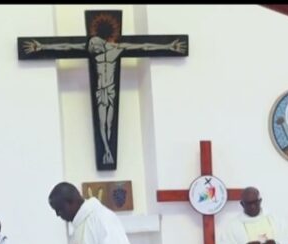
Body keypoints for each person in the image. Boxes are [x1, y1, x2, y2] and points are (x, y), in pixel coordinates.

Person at [22, 35, 186, 167]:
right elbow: (67, 47)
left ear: (101, 43)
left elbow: (143, 46)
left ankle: (108, 152)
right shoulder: (91, 51)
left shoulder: (117, 49)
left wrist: (168, 46)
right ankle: (107, 151)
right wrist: (42, 47)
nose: (93, 50)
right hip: (101, 91)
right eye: (92, 48)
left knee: (109, 124)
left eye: (95, 47)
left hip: (111, 90)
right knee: (102, 123)